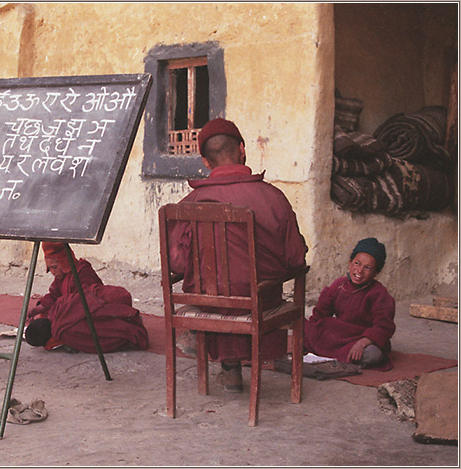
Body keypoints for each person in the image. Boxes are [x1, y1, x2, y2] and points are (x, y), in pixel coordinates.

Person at [168, 118, 309, 392]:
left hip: (206, 303)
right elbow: (295, 260)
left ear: (205, 163)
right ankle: (246, 370)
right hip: (260, 302)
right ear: (242, 149)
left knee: (221, 287)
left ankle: (228, 367)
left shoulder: (187, 206)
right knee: (248, 288)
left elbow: (177, 263)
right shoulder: (273, 197)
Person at [24, 242, 149, 353]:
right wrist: (39, 309)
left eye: (54, 267)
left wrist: (62, 314)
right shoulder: (60, 278)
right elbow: (54, 295)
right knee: (49, 318)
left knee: (70, 329)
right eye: (49, 268)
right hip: (70, 313)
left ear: (64, 262)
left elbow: (88, 301)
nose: (52, 272)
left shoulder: (83, 271)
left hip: (94, 311)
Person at [304, 237, 395, 369]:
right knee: (305, 332)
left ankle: (332, 356)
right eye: (357, 263)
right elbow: (320, 314)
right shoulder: (338, 286)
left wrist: (363, 342)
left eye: (367, 268)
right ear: (350, 263)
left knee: (372, 355)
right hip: (339, 335)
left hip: (362, 338)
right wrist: (311, 333)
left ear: (376, 273)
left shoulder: (379, 294)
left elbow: (384, 326)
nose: (359, 271)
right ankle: (336, 356)